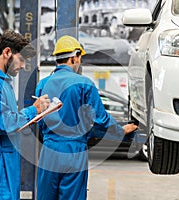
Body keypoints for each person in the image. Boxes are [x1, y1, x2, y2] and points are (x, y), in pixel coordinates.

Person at [35, 35, 138, 200]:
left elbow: (39, 120)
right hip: (74, 152)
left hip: (49, 151)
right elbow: (100, 119)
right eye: (80, 58)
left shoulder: (42, 85)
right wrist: (121, 131)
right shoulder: (84, 84)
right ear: (74, 57)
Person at [0, 29, 50, 200]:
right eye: (21, 60)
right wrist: (33, 110)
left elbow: (11, 120)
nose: (23, 66)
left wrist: (36, 115)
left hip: (9, 157)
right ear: (7, 52)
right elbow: (2, 123)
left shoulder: (5, 83)